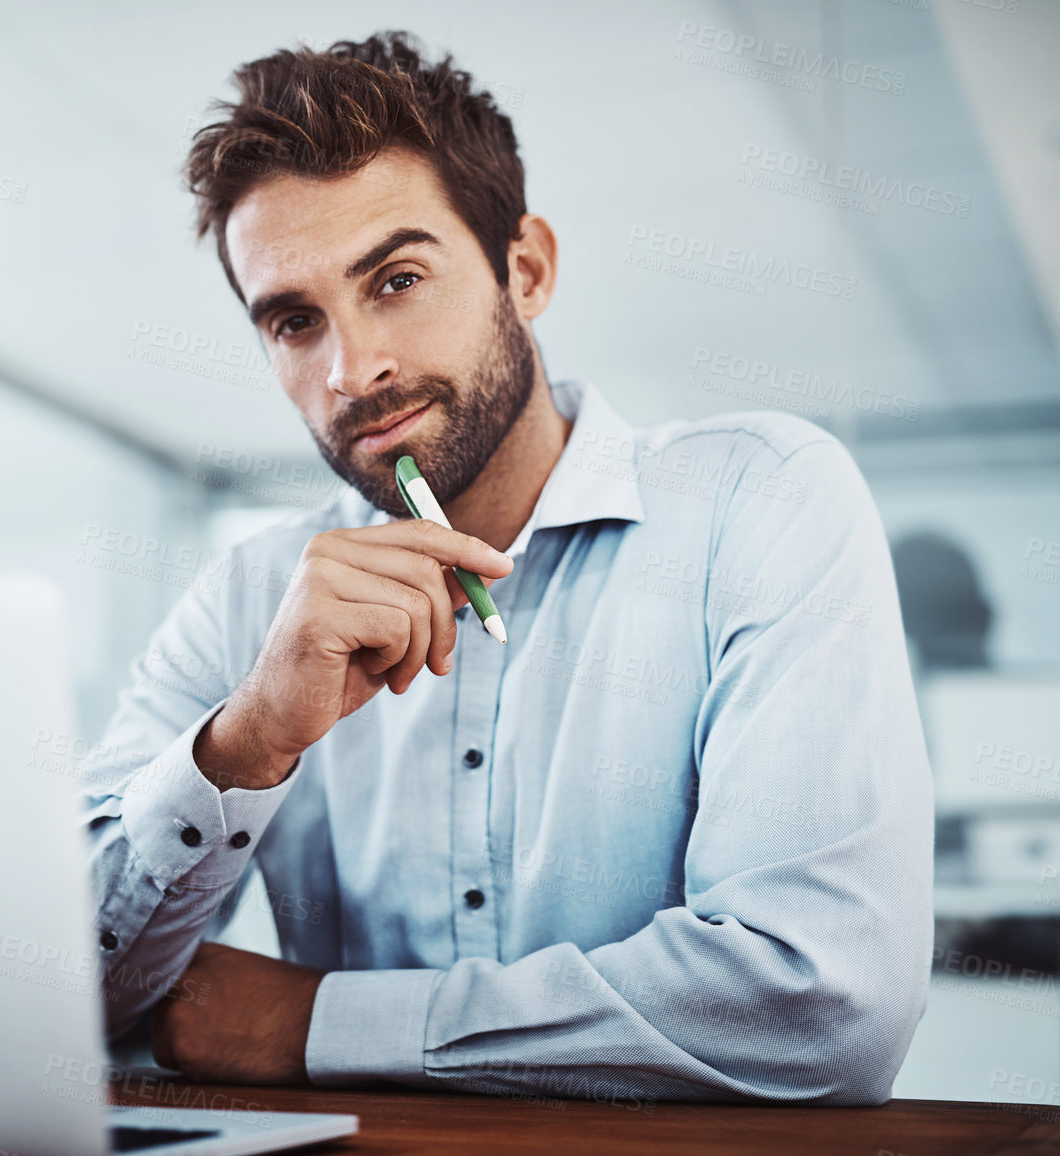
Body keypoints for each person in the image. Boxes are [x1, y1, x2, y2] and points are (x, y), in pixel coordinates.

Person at [78, 30, 931, 1106]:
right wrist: (242, 744)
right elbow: (65, 999)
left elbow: (821, 1004)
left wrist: (313, 1021)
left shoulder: (760, 500)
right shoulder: (249, 597)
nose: (352, 370)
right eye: (296, 321)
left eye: (395, 279)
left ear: (523, 270)